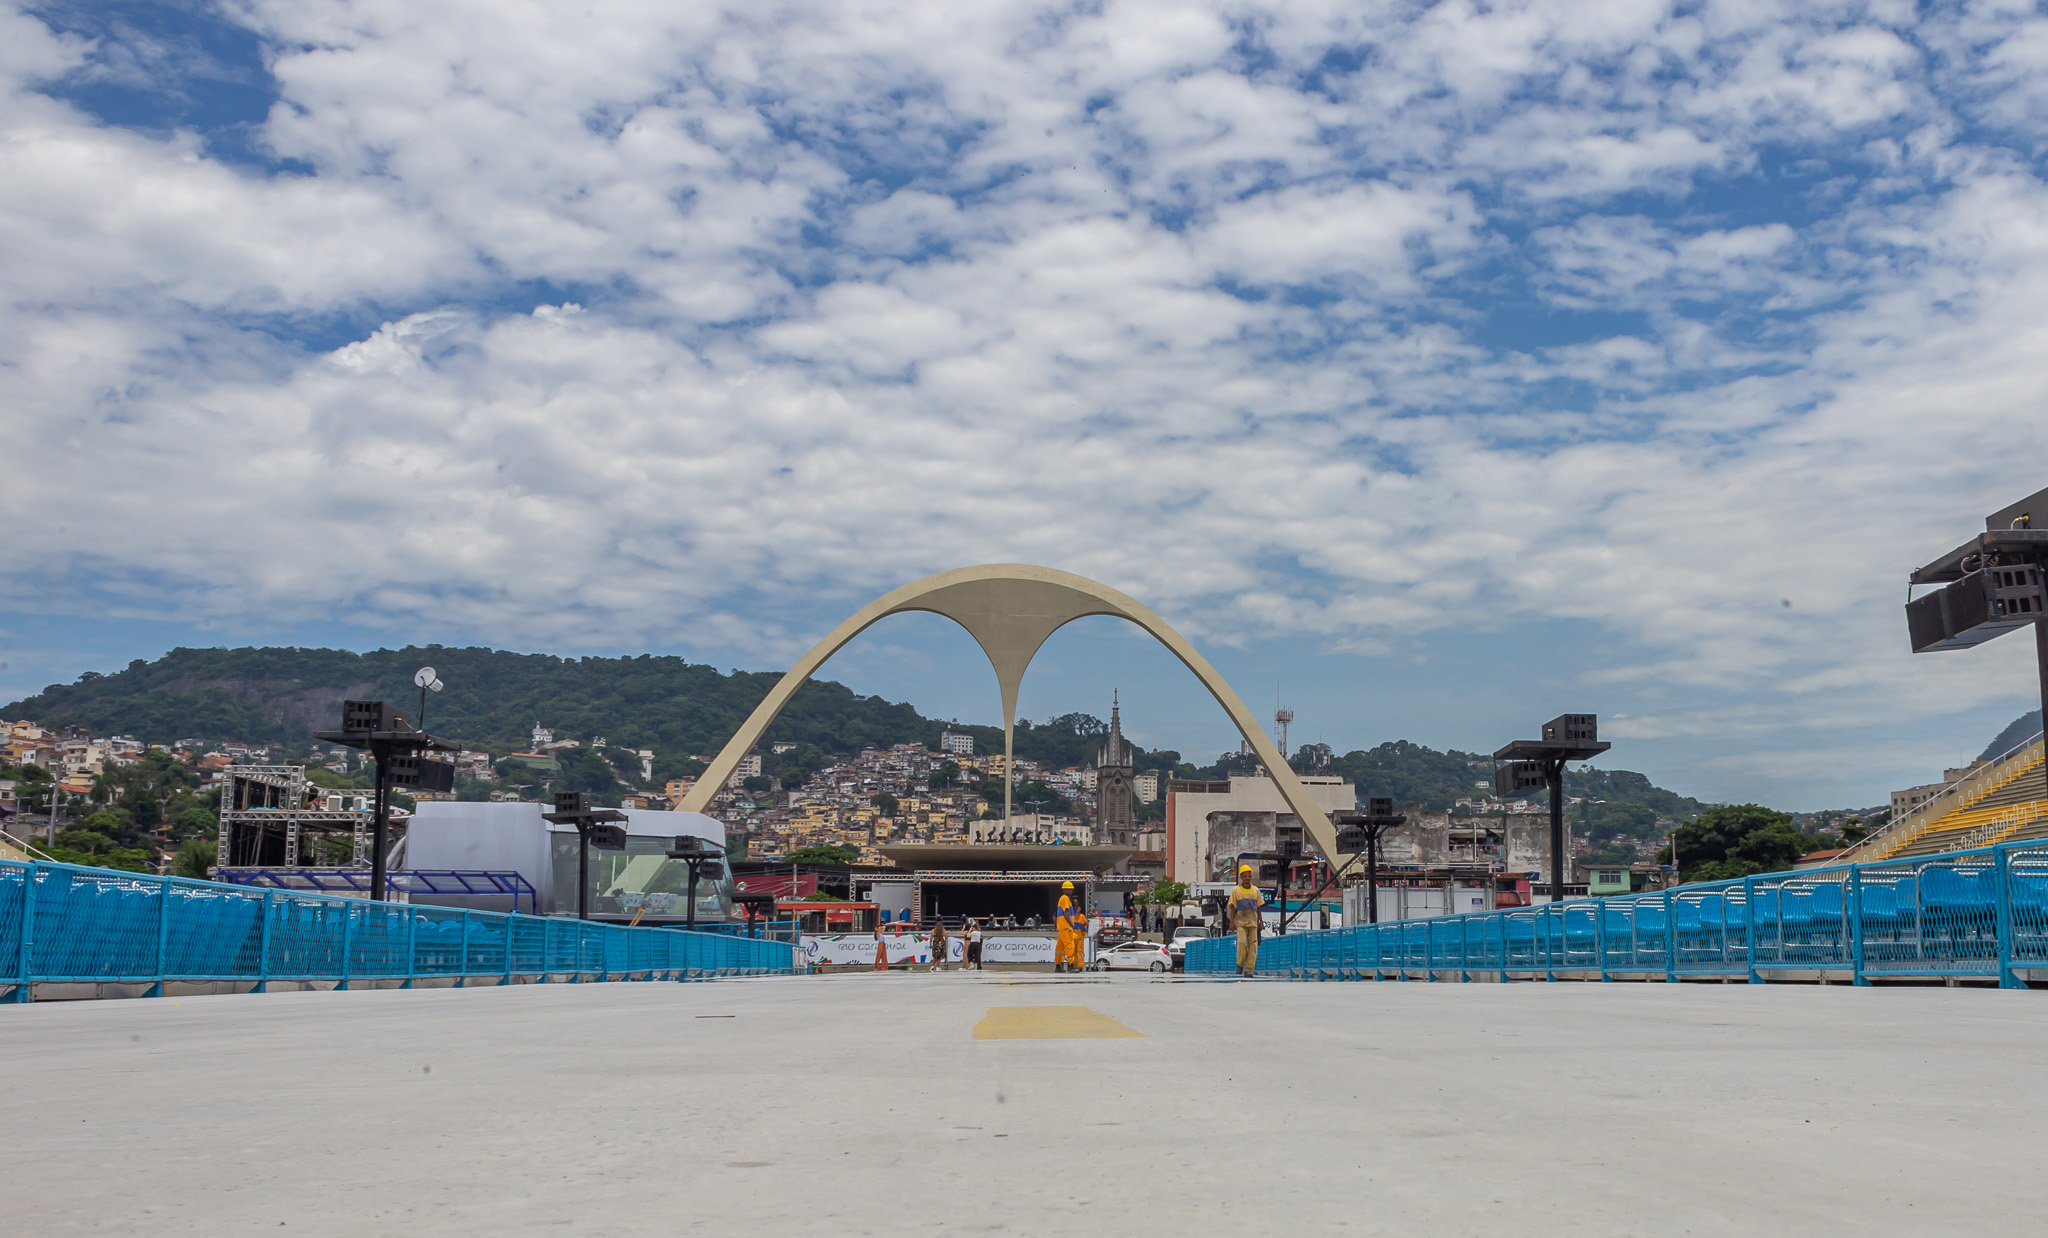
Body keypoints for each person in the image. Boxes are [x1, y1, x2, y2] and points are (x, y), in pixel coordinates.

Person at [1229, 864, 1264, 978]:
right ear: (1241, 877)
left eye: (1249, 876)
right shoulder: (1236, 891)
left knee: (1253, 947)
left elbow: (1258, 907)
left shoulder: (1256, 890)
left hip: (1253, 922)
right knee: (1242, 943)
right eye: (1245, 876)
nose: (1247, 878)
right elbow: (1233, 907)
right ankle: (1240, 963)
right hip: (1240, 922)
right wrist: (1231, 922)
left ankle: (1249, 969)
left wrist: (1261, 922)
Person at [1054, 881, 1087, 973]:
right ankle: (1071, 965)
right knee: (1069, 945)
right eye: (1069, 889)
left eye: (1071, 889)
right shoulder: (1065, 898)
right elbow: (1066, 912)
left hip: (1062, 926)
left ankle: (1058, 965)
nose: (1071, 891)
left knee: (1060, 947)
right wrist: (1072, 925)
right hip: (1066, 926)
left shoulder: (1064, 899)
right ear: (1064, 889)